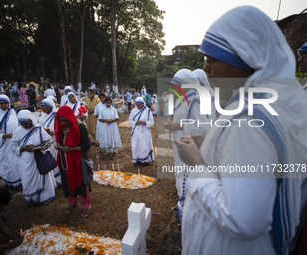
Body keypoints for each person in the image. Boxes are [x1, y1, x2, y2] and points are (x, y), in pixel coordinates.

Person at [174, 6, 307, 255]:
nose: (207, 68)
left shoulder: (251, 119)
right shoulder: (260, 103)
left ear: (246, 56)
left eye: (212, 59)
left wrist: (197, 165)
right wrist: (212, 147)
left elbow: (243, 221)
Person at [164, 69, 216, 225]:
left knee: (188, 178)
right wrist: (172, 126)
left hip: (189, 146)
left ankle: (188, 215)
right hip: (181, 144)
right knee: (181, 177)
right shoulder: (184, 99)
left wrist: (178, 125)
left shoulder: (197, 100)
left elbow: (204, 128)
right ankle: (182, 205)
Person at [10, 110, 56, 204]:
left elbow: (48, 140)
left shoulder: (39, 129)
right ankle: (32, 198)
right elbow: (13, 146)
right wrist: (23, 149)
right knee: (28, 178)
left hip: (39, 157)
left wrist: (38, 147)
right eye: (22, 124)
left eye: (26, 123)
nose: (24, 126)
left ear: (31, 120)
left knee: (44, 177)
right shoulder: (18, 131)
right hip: (26, 160)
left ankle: (45, 197)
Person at [54, 106, 92, 217]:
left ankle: (86, 205)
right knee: (67, 181)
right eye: (60, 121)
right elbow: (62, 142)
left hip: (78, 161)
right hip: (66, 162)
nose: (63, 123)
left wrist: (71, 149)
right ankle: (72, 203)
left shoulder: (80, 127)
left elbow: (87, 145)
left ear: (70, 117)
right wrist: (59, 146)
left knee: (81, 182)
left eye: (65, 120)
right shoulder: (62, 129)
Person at [0, 95, 21, 189]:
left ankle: (17, 182)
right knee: (5, 163)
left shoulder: (13, 113)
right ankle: (8, 182)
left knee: (15, 162)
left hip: (14, 141)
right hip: (3, 144)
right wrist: (5, 136)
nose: (3, 105)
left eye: (5, 103)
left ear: (9, 103)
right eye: (1, 103)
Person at [39, 98, 61, 186]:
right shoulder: (42, 117)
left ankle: (59, 179)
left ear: (50, 106)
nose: (43, 108)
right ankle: (52, 180)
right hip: (47, 142)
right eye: (42, 106)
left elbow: (61, 128)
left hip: (56, 141)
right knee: (49, 160)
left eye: (45, 106)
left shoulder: (57, 116)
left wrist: (53, 132)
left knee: (56, 158)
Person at [129, 97, 154, 166]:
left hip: (145, 132)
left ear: (143, 104)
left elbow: (152, 122)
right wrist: (135, 123)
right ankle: (137, 160)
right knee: (135, 146)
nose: (139, 106)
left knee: (144, 146)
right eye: (137, 105)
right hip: (136, 132)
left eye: (140, 105)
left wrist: (145, 123)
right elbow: (130, 121)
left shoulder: (148, 111)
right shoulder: (133, 111)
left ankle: (145, 160)